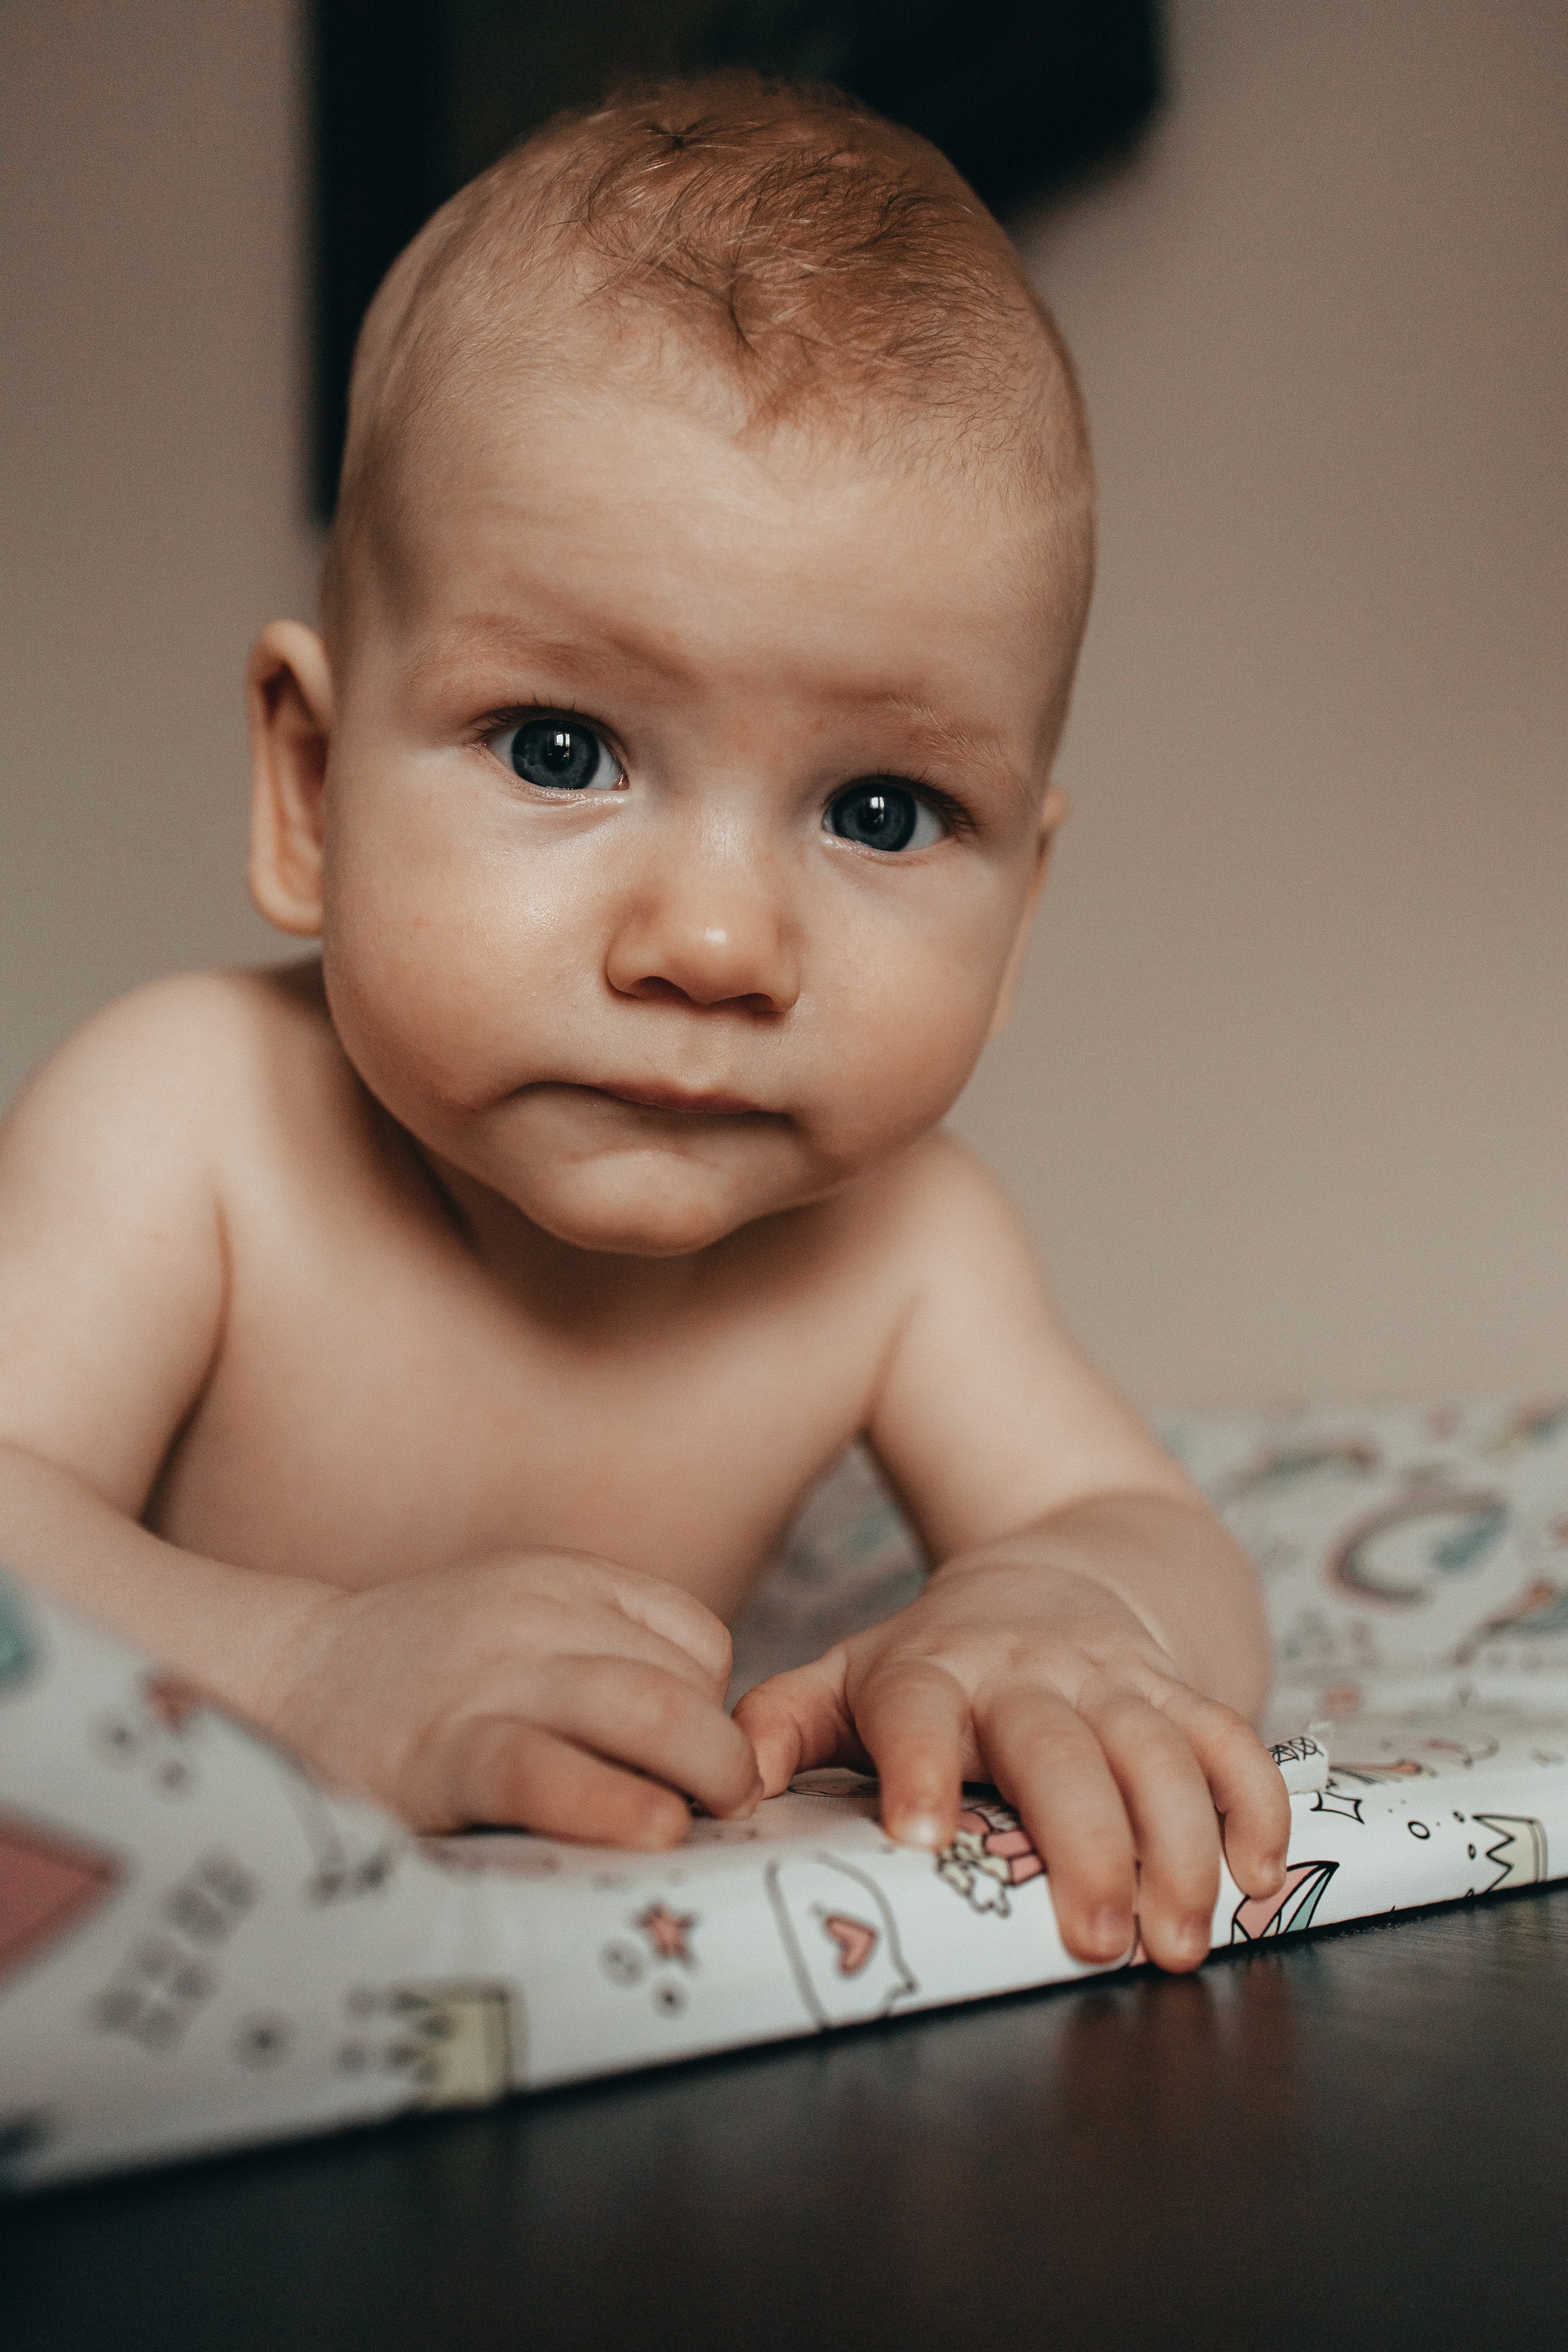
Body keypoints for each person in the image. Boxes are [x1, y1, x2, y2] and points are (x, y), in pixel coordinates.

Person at [0, 72, 1289, 1973]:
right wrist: (306, 1663)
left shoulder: (905, 1247)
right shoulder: (188, 1123)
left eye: (879, 811)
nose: (713, 939)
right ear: (310, 786)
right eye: (560, 747)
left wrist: (1063, 1613)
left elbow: (1137, 1523)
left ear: (1021, 912)